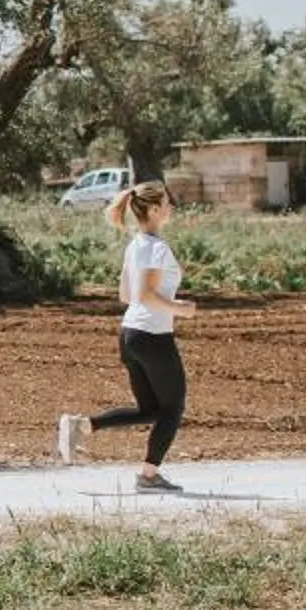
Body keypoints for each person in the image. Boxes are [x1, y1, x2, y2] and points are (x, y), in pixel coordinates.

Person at [57, 178, 196, 492]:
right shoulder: (157, 248)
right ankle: (148, 476)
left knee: (150, 410)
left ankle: (83, 426)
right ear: (154, 209)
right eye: (167, 203)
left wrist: (160, 301)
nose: (171, 207)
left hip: (130, 334)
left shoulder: (135, 245)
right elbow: (144, 295)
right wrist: (179, 308)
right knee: (172, 409)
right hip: (152, 336)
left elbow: (125, 294)